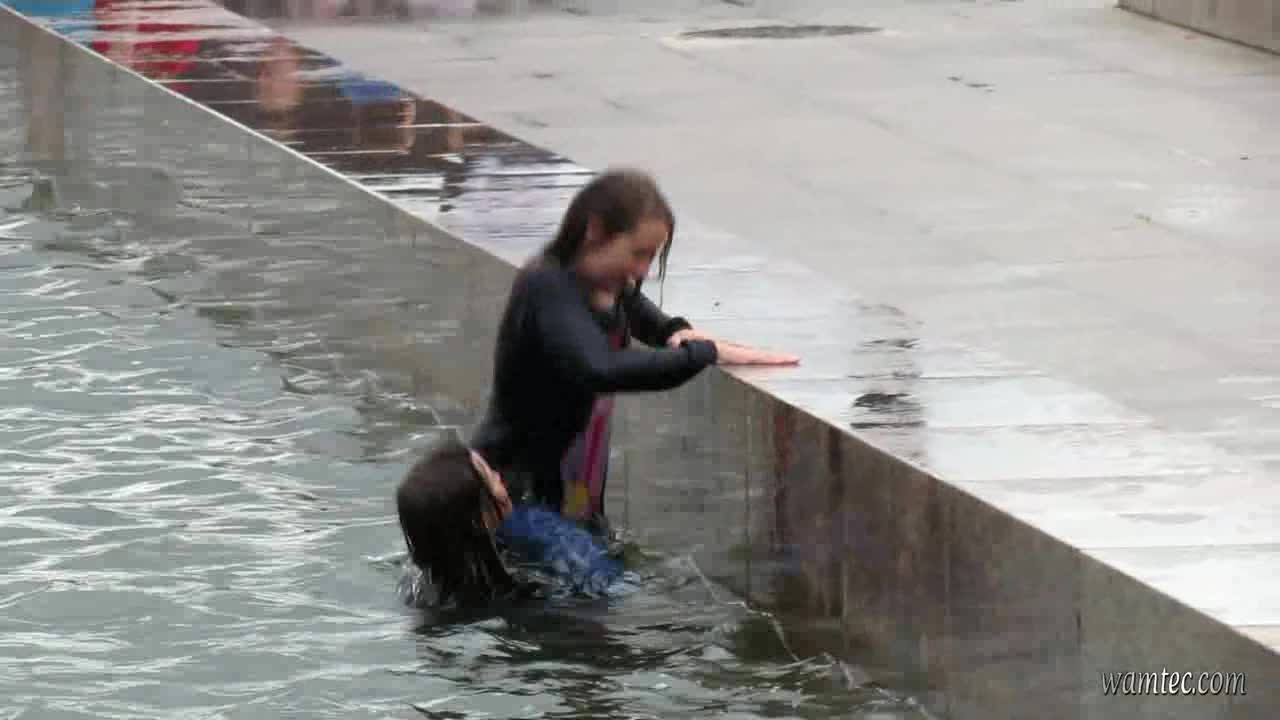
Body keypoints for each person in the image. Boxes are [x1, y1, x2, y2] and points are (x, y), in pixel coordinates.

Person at [469, 168, 797, 533]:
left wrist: (675, 332)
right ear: (595, 231)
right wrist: (703, 354)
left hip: (571, 497)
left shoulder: (601, 286)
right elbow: (600, 368)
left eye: (651, 257)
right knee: (583, 566)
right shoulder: (547, 287)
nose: (642, 270)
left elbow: (638, 312)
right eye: (638, 253)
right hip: (514, 501)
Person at [396, 438, 628, 609]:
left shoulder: (420, 586)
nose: (499, 476)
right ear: (479, 519)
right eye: (490, 475)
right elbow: (617, 584)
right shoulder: (536, 547)